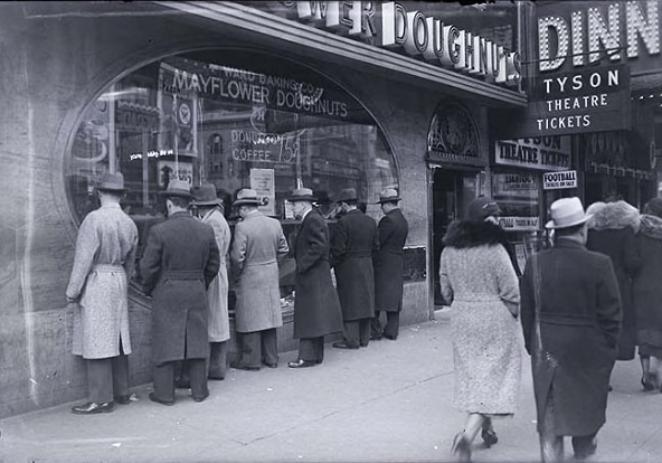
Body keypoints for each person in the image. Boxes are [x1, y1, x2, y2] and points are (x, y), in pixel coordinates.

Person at [520, 197, 621, 462]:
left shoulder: (535, 263)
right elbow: (612, 315)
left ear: (556, 231)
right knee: (585, 417)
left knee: (551, 416)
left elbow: (528, 311)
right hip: (588, 352)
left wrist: (534, 347)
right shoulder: (600, 264)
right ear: (582, 229)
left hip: (549, 352)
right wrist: (607, 349)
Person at [439, 197, 521, 462]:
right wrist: (512, 312)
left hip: (462, 316)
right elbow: (511, 289)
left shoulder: (448, 250)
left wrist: (462, 302)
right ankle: (467, 435)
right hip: (495, 317)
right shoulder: (495, 248)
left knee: (475, 373)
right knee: (493, 376)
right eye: (491, 217)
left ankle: (488, 429)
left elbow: (445, 291)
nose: (496, 222)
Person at [140, 179, 220, 405]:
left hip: (168, 291)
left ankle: (165, 394)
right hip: (195, 288)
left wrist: (150, 288)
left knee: (166, 341)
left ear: (169, 204)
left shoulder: (159, 231)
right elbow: (214, 264)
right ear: (188, 203)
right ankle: (199, 391)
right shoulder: (205, 230)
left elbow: (148, 267)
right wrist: (200, 282)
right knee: (196, 340)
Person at [66, 172, 139, 415]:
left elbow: (83, 259)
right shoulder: (129, 222)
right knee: (118, 336)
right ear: (121, 195)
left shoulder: (93, 219)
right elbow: (131, 262)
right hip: (118, 277)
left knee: (97, 338)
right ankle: (122, 391)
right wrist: (124, 280)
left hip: (98, 279)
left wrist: (72, 291)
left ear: (99, 193)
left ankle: (100, 399)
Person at [230, 188, 289, 370]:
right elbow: (284, 249)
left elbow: (237, 257)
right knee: (269, 317)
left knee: (251, 318)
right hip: (270, 274)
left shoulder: (242, 227)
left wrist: (237, 275)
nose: (239, 213)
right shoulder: (274, 223)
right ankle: (272, 358)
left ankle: (251, 360)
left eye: (239, 209)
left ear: (244, 209)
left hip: (250, 275)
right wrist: (273, 264)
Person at [287, 188, 343, 368]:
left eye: (294, 205)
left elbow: (319, 246)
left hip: (312, 275)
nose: (292, 208)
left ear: (303, 204)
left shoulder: (312, 220)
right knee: (315, 316)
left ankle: (306, 357)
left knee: (308, 316)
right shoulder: (313, 218)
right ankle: (316, 355)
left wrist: (302, 264)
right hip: (315, 274)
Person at [586, 200, 640, 369]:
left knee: (596, 323)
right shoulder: (626, 231)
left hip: (593, 282)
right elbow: (631, 262)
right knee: (615, 323)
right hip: (618, 282)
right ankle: (610, 360)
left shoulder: (591, 232)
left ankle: (597, 362)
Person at [191, 183, 232, 380]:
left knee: (214, 320)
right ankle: (217, 366)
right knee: (218, 318)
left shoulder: (213, 222)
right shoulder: (216, 218)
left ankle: (215, 367)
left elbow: (211, 253)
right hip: (219, 271)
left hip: (214, 274)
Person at [330, 188, 379, 350]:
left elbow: (338, 250)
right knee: (366, 301)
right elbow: (376, 247)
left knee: (350, 302)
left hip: (348, 267)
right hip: (367, 264)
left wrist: (332, 264)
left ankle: (351, 340)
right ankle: (364, 338)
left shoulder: (343, 223)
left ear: (344, 204)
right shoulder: (371, 221)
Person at [632, 197, 662, 391]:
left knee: (644, 329)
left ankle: (645, 373)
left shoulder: (637, 233)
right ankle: (659, 373)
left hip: (642, 287)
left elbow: (632, 262)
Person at [371, 188, 409, 341]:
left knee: (378, 297)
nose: (381, 207)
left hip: (384, 263)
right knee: (394, 298)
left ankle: (375, 330)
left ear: (387, 204)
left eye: (382, 204)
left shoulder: (387, 220)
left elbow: (378, 242)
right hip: (397, 261)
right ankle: (392, 330)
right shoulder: (402, 219)